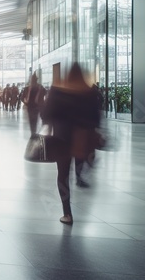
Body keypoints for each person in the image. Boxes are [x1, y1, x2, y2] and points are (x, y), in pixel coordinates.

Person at [41, 63, 101, 224]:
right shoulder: (89, 92)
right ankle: (81, 174)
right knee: (80, 160)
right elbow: (96, 117)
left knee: (63, 175)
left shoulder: (57, 90)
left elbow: (46, 114)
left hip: (62, 139)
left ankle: (67, 213)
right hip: (83, 139)